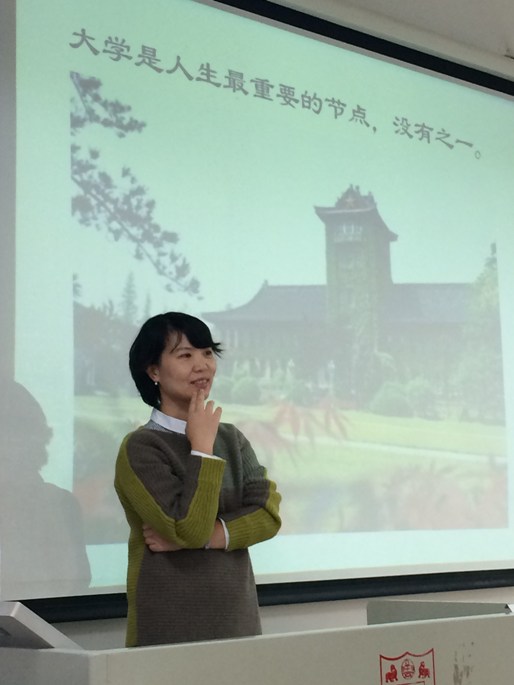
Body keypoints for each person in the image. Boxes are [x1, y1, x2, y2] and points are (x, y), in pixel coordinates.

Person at [114, 312, 282, 647]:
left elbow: (268, 516)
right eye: (185, 355)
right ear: (154, 371)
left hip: (238, 626)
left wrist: (210, 537)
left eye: (207, 353)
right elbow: (186, 527)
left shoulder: (232, 439)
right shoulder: (141, 447)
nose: (202, 365)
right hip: (167, 632)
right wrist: (202, 448)